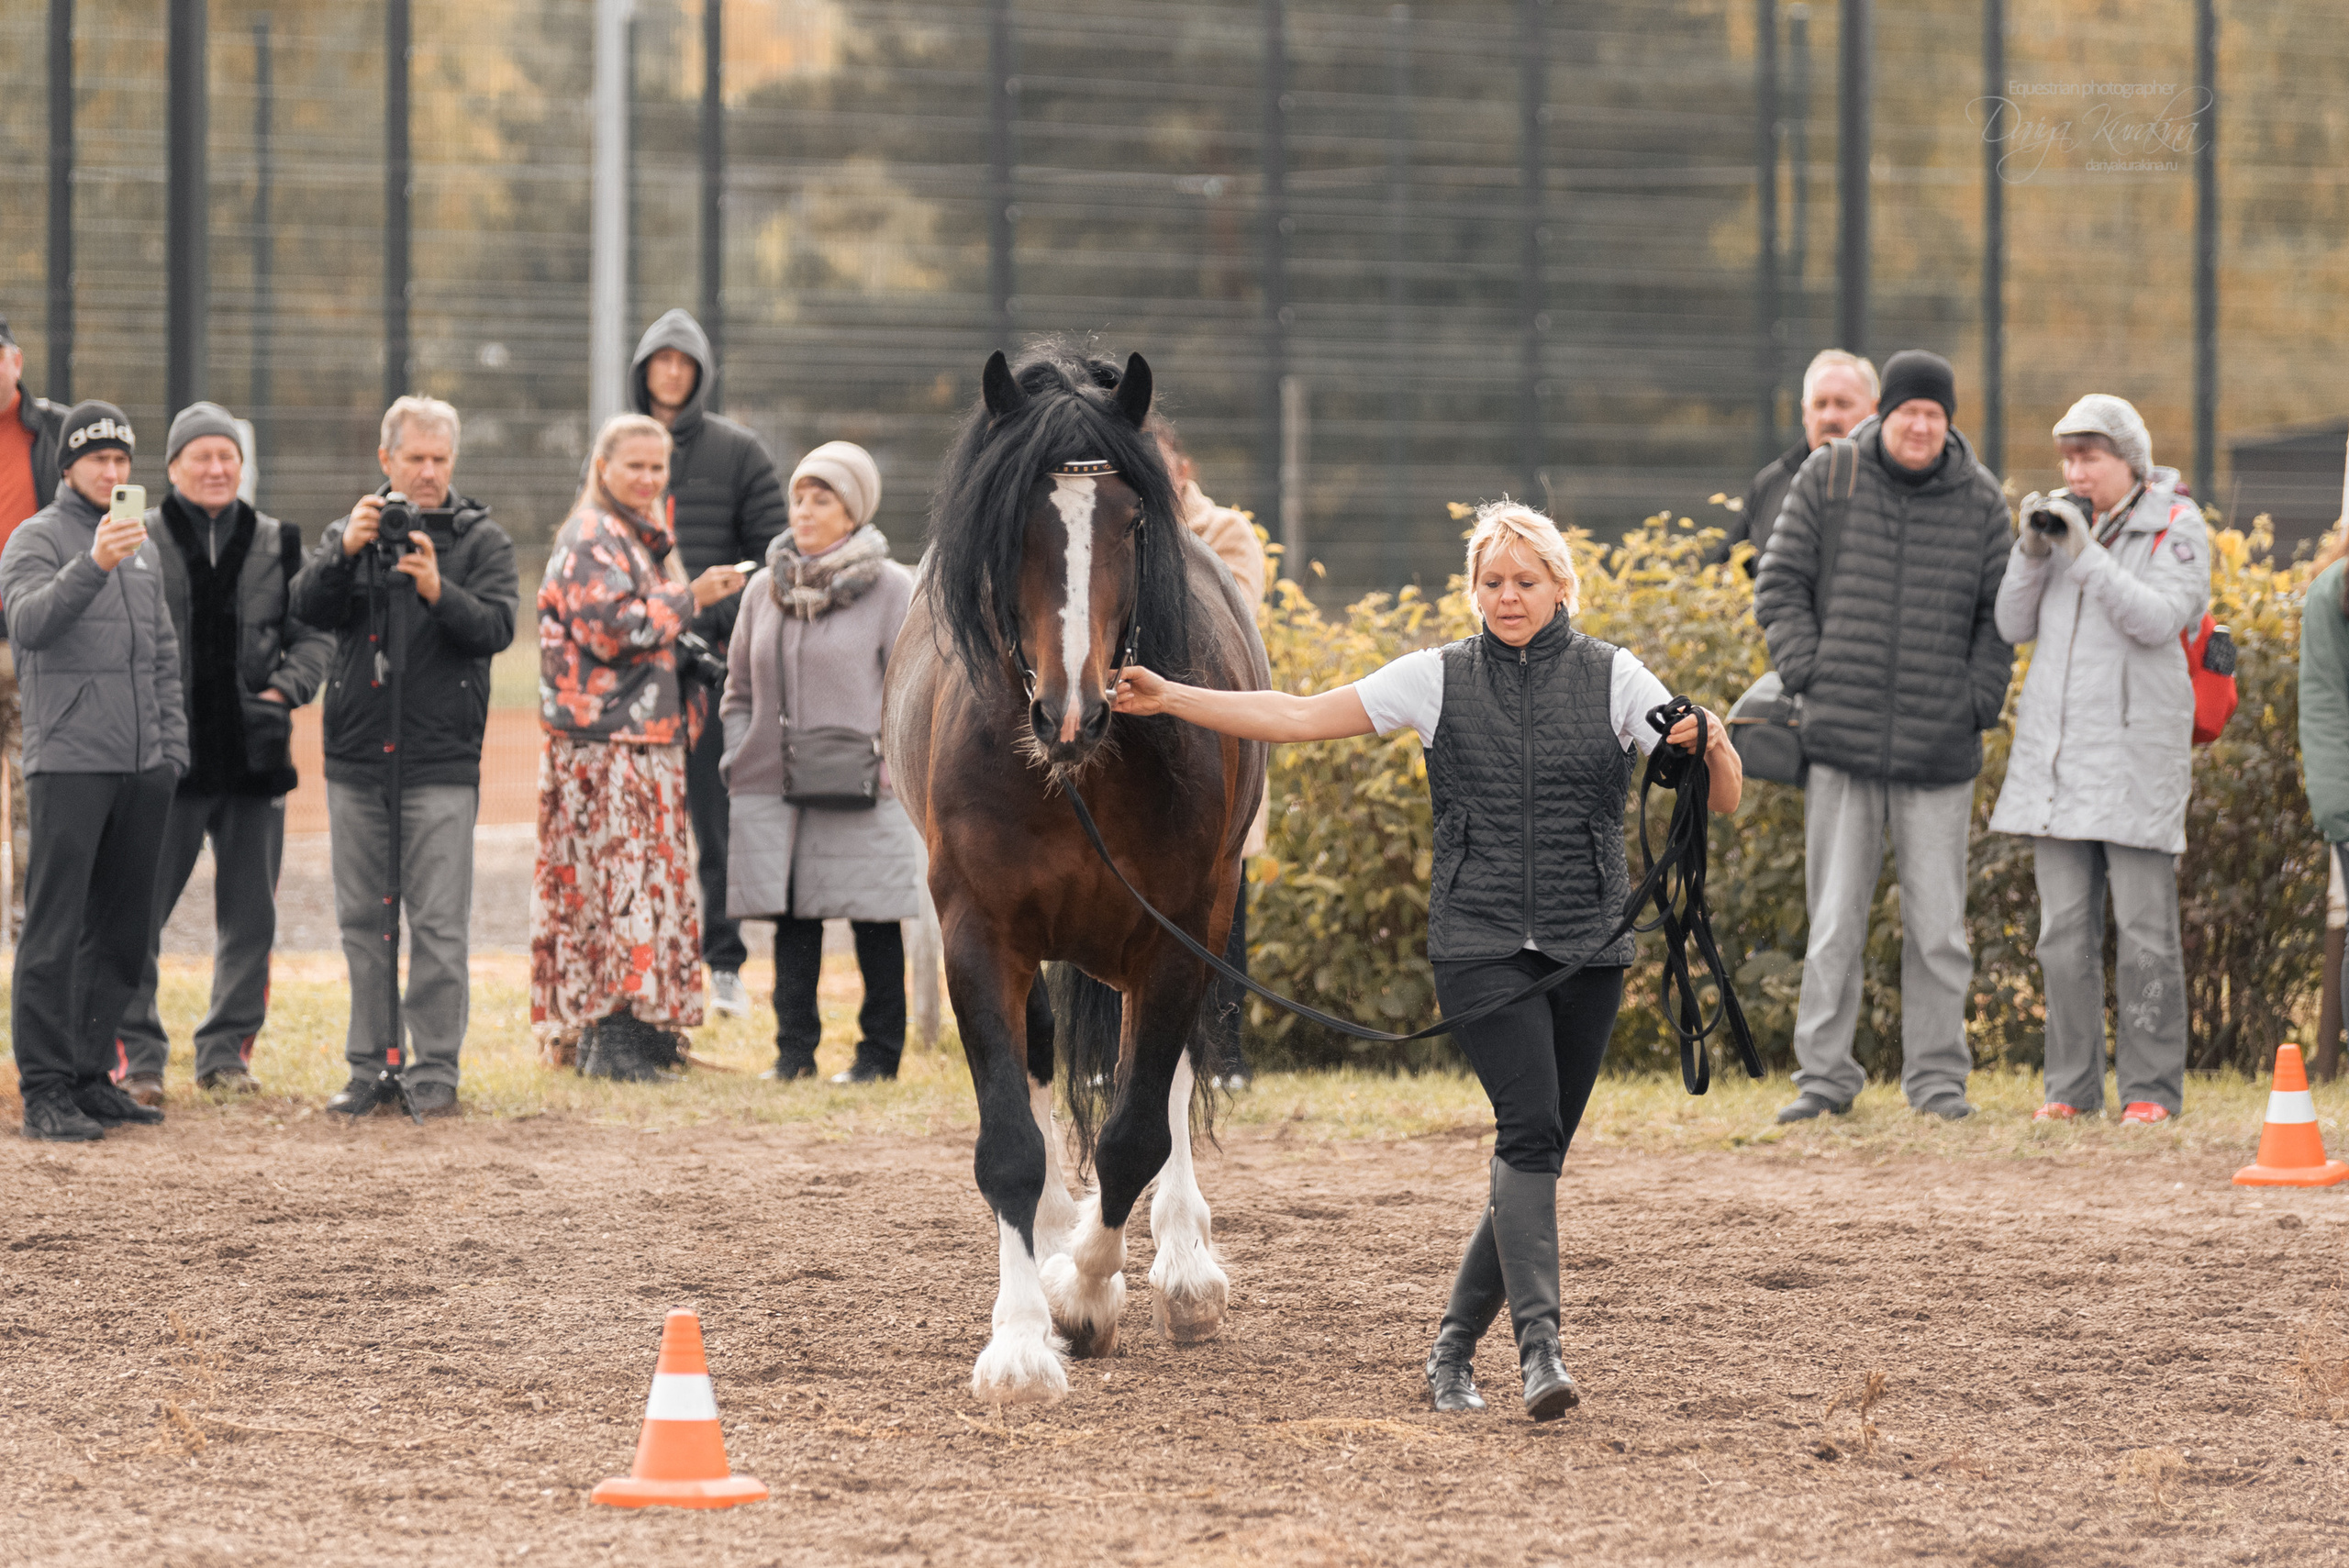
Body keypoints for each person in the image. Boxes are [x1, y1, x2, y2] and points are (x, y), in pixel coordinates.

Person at [1110, 501, 1741, 1421]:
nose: (1508, 596)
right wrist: (1172, 695)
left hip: (1586, 949)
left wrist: (1712, 738)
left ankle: (1450, 1352)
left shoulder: (1616, 677)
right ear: (1473, 590)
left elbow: (1717, 799)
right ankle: (1540, 1352)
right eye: (1492, 582)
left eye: (1525, 580)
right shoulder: (1433, 677)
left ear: (1560, 585)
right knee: (1528, 1134)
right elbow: (1291, 714)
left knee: (1535, 1154)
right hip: (1479, 942)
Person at [1753, 349, 2014, 1124]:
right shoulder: (1829, 478)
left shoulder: (1982, 499)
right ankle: (1824, 1080)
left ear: (1948, 421)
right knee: (1834, 924)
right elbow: (1780, 584)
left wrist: (1977, 699)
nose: (1921, 427)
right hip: (1841, 742)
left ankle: (1938, 1084)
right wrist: (1810, 672)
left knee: (1939, 932)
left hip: (1941, 751)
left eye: (1935, 415)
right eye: (1909, 414)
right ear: (1886, 415)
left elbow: (1998, 618)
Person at [289, 396, 518, 1119]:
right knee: (363, 918)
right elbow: (306, 607)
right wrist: (343, 553)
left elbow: (497, 627)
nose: (426, 472)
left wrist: (435, 588)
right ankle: (368, 1065)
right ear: (385, 460)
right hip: (358, 757)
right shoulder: (350, 531)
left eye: (439, 459)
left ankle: (434, 1068)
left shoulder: (482, 540)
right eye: (413, 457)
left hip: (441, 760)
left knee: (440, 923)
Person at [1989, 397, 2209, 1124]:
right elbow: (2010, 624)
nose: (2075, 473)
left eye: (2091, 458)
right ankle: (2070, 1088)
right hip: (2059, 765)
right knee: (2061, 937)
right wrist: (2030, 552)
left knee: (2146, 932)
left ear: (2130, 463)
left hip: (2136, 763)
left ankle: (2149, 1091)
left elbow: (2156, 619)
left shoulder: (2177, 525)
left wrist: (2084, 554)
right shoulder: (2058, 529)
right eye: (2068, 459)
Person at [117, 403, 333, 1104]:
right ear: (173, 466)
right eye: (201, 457)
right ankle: (139, 1056)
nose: (215, 468)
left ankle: (226, 1053)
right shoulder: (138, 538)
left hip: (254, 759)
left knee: (251, 915)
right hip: (164, 760)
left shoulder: (278, 540)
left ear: (243, 466)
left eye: (227, 457)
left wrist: (280, 694)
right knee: (136, 911)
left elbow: (313, 636)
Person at [533, 414, 744, 1076]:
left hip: (644, 737)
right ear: (603, 468)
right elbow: (609, 629)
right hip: (603, 744)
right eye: (635, 467)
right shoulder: (591, 533)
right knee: (613, 885)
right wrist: (694, 596)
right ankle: (611, 1034)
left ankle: (642, 1031)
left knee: (646, 882)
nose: (649, 479)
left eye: (658, 468)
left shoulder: (641, 538)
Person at [0, 402, 186, 1140]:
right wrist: (95, 561)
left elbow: (163, 656)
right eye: (96, 460)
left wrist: (170, 752)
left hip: (143, 766)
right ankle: (44, 1087)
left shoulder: (141, 547)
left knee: (121, 932)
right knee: (54, 930)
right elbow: (30, 623)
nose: (111, 472)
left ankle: (88, 1074)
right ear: (68, 466)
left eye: (120, 461)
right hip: (70, 762)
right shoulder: (35, 539)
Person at [719, 440, 921, 1083]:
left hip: (865, 780)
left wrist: (889, 764)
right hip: (775, 780)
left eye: (822, 498)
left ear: (854, 510)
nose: (803, 511)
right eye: (799, 497)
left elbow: (909, 686)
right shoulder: (763, 588)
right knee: (793, 917)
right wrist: (738, 748)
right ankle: (793, 1053)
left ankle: (879, 1055)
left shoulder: (893, 588)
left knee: (873, 918)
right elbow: (737, 689)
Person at [628, 309, 790, 1020]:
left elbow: (772, 555)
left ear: (698, 372)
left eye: (682, 360)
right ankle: (642, 961)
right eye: (659, 359)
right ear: (643, 370)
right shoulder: (617, 448)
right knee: (635, 823)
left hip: (711, 674)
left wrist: (706, 621)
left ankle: (722, 964)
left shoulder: (738, 452)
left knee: (715, 824)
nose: (670, 371)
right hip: (629, 673)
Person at [1149, 412, 1269, 1088]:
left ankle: (1225, 1053)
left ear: (1183, 469)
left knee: (1223, 907)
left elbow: (1234, 614)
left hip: (1217, 741)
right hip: (1141, 746)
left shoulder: (1224, 532)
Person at [1714, 349, 1879, 574]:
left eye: (1843, 404)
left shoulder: (1892, 486)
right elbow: (1723, 576)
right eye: (1820, 404)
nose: (1829, 417)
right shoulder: (1769, 485)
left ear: (1874, 410)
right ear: (1805, 412)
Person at [0, 313, 70, 750]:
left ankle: (25, 824)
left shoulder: (58, 431)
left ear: (17, 362)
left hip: (34, 621)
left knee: (30, 762)